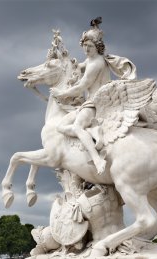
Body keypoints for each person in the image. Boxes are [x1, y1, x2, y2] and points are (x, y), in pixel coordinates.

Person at [50, 17, 110, 175]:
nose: (86, 50)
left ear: (97, 47)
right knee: (60, 126)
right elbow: (82, 65)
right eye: (84, 46)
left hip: (96, 104)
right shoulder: (91, 59)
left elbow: (83, 85)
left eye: (90, 46)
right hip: (88, 104)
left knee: (77, 126)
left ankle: (97, 159)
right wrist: (73, 62)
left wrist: (62, 93)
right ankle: (91, 133)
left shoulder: (97, 62)